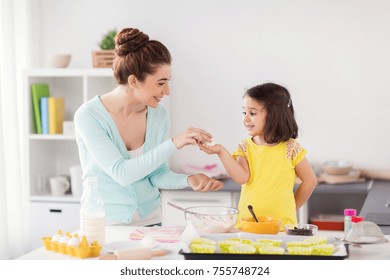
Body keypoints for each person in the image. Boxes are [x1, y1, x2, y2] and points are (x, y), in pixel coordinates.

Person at [74, 27, 223, 226]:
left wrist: (188, 180)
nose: (167, 91)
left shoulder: (158, 115)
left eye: (168, 82)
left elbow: (156, 174)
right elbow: (122, 174)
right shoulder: (89, 116)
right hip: (105, 225)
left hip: (152, 223)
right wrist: (174, 143)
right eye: (161, 83)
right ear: (134, 81)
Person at [198, 82, 317, 228]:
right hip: (248, 225)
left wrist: (292, 207)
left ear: (274, 115)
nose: (246, 119)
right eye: (244, 112)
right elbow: (242, 178)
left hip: (281, 227)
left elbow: (310, 181)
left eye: (252, 113)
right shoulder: (245, 147)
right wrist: (221, 151)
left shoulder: (291, 148)